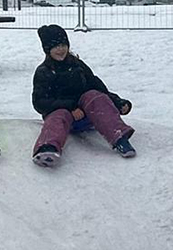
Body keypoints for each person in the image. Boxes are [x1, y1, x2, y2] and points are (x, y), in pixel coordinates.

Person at [31, 24, 135, 166]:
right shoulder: (44, 71)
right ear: (47, 50)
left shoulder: (77, 65)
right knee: (59, 114)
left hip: (88, 116)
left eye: (63, 45)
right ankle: (47, 147)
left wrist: (117, 102)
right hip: (64, 118)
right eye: (55, 47)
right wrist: (70, 107)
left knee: (93, 95)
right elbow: (40, 102)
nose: (60, 50)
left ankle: (119, 138)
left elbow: (97, 86)